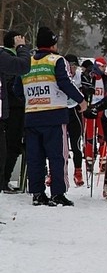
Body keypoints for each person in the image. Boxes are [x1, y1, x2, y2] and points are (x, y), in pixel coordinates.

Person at [22, 26, 87, 206]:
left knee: (35, 158)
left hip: (32, 116)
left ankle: (37, 193)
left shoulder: (27, 61)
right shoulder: (57, 60)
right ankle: (58, 193)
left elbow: (18, 90)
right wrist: (81, 100)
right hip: (54, 116)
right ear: (52, 44)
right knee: (58, 156)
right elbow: (65, 83)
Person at [0, 29, 31, 192]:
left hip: (11, 108)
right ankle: (4, 179)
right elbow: (19, 70)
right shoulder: (8, 57)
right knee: (11, 147)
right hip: (12, 109)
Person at [80, 56, 107, 177]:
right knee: (89, 136)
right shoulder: (90, 75)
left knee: (103, 136)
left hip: (102, 109)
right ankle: (89, 160)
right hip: (90, 108)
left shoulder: (105, 78)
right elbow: (83, 86)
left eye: (105, 67)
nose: (104, 69)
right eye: (102, 66)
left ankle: (103, 161)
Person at [63, 54, 85, 186]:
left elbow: (87, 86)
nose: (72, 69)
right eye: (70, 66)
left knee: (76, 144)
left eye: (75, 66)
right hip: (61, 110)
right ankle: (56, 173)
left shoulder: (79, 76)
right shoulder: (60, 73)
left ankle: (78, 172)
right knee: (60, 145)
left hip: (74, 111)